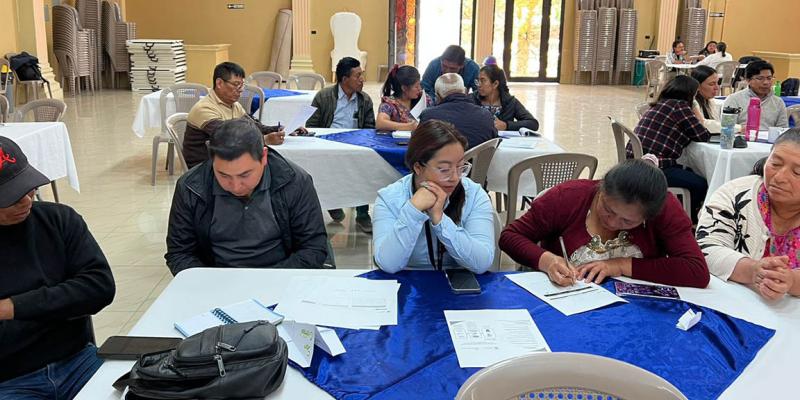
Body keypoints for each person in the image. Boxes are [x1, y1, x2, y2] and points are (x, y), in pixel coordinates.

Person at [0, 137, 115, 397]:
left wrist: (10, 308)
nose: (26, 200)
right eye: (10, 196)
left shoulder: (59, 220)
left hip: (78, 360)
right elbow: (80, 295)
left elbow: (99, 288)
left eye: (27, 188)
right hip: (9, 380)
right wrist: (61, 305)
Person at [499, 159, 709, 288]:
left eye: (628, 221)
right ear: (601, 189)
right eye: (607, 209)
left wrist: (620, 265)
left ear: (647, 217)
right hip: (567, 300)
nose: (612, 222)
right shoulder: (569, 197)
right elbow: (510, 236)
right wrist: (547, 260)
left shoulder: (665, 209)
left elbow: (696, 271)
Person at [165, 119, 328, 275]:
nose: (235, 186)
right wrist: (209, 283)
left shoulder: (294, 181)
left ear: (264, 156)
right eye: (223, 175)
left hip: (281, 276)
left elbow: (313, 247)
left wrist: (267, 281)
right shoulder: (191, 187)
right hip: (216, 281)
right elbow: (180, 253)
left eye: (245, 175)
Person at [373, 120, 495, 273]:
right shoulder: (390, 198)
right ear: (418, 167)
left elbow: (482, 262)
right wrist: (413, 211)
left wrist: (440, 219)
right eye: (444, 169)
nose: (454, 178)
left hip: (461, 285)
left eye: (460, 167)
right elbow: (388, 264)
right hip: (409, 284)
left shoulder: (474, 194)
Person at [697, 129, 800, 300]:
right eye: (775, 163)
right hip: (733, 306)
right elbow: (706, 247)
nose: (780, 177)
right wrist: (753, 270)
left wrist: (792, 281)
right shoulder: (735, 195)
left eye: (797, 173)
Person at [183, 62, 302, 169]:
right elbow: (228, 137)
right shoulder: (204, 108)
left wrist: (280, 129)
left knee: (275, 166)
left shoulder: (233, 105)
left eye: (242, 85)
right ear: (219, 83)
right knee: (268, 166)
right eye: (236, 84)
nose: (240, 90)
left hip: (228, 158)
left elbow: (254, 126)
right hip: (205, 166)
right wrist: (266, 139)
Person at [306, 57, 376, 233]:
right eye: (358, 76)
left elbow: (370, 129)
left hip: (355, 144)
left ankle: (362, 214)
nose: (362, 80)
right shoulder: (324, 96)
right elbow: (311, 125)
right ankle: (332, 203)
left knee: (363, 166)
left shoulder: (364, 100)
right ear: (345, 79)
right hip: (327, 144)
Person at [632, 75, 711, 219]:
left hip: (638, 162)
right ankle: (685, 217)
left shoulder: (661, 104)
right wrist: (695, 110)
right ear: (690, 94)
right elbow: (702, 135)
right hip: (655, 167)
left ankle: (676, 211)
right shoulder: (679, 107)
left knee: (688, 171)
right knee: (701, 183)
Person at [419, 73, 497, 149]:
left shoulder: (429, 116)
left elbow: (418, 145)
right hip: (478, 162)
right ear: (465, 91)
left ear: (437, 97)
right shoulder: (486, 115)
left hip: (442, 161)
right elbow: (494, 143)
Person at [723, 60, 789, 130]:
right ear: (748, 80)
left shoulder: (778, 102)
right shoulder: (734, 99)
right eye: (760, 78)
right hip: (742, 138)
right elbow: (727, 127)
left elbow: (783, 129)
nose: (766, 82)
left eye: (769, 78)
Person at [473, 64, 539, 132]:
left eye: (483, 80)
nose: (479, 85)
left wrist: (506, 125)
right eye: (478, 81)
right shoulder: (472, 99)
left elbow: (533, 123)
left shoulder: (510, 102)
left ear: (495, 84)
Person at [376, 64, 429, 132]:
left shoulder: (423, 98)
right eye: (416, 86)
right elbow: (380, 124)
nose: (420, 89)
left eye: (420, 85)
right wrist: (409, 127)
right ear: (404, 88)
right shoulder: (390, 104)